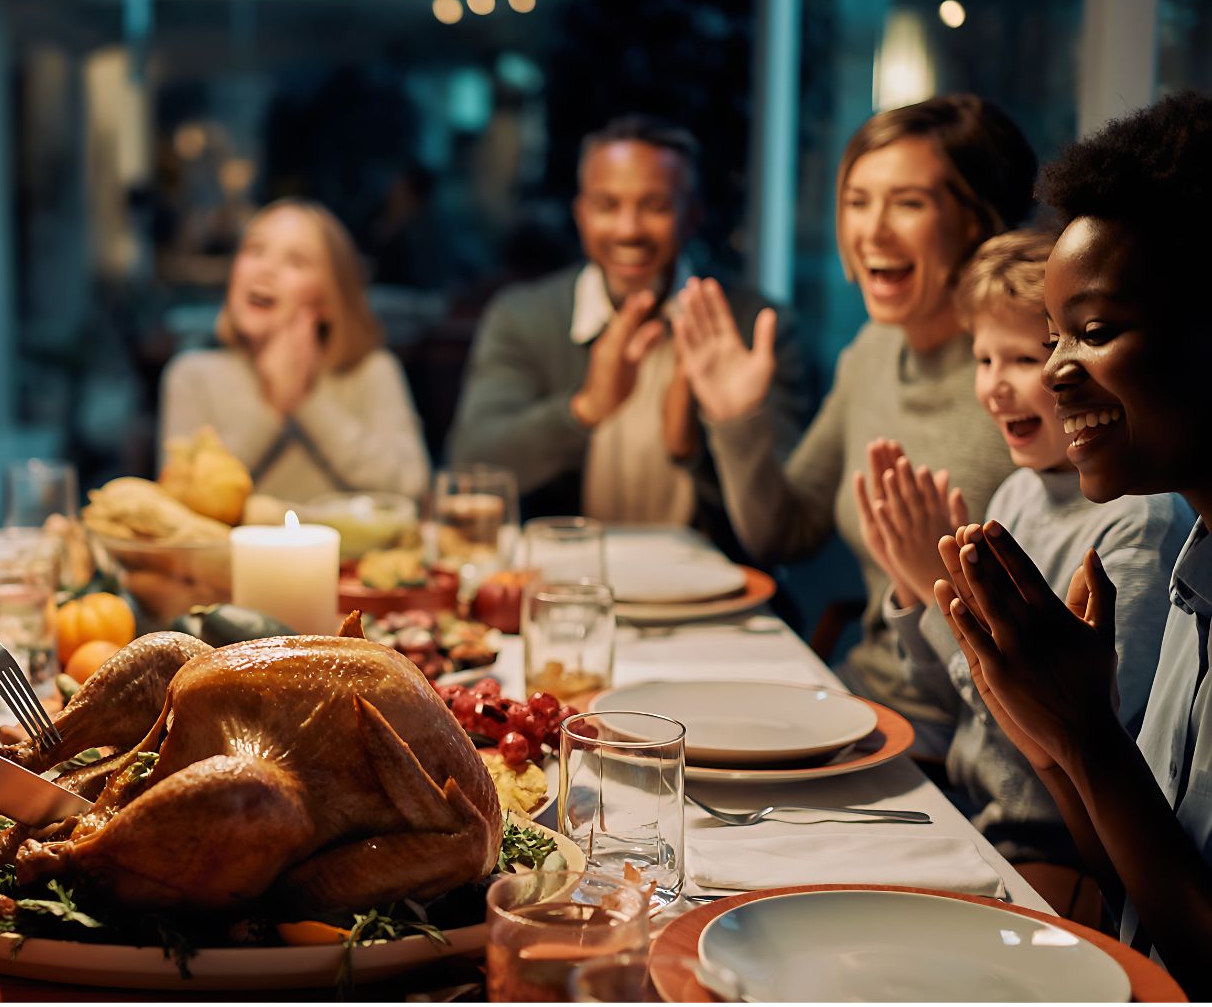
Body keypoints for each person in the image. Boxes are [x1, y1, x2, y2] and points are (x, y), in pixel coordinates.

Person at [933, 91, 1212, 995]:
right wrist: (1052, 738)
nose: (1053, 374)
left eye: (1093, 333)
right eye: (1051, 339)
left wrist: (1087, 733)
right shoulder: (1193, 564)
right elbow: (1141, 874)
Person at [672, 94, 1033, 758]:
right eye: (858, 200)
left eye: (909, 203)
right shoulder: (871, 351)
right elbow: (785, 530)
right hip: (860, 702)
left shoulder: (1026, 385)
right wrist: (737, 420)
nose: (872, 231)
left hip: (966, 745)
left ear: (980, 219)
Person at [861, 230, 1190, 888]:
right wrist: (919, 595)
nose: (995, 387)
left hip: (1055, 853)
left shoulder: (1134, 521)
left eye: (1020, 358)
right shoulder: (1019, 491)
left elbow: (1084, 756)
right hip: (974, 818)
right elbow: (956, 708)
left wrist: (941, 607)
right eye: (983, 359)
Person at [448, 115, 809, 543]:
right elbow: (471, 467)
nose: (628, 229)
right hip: (560, 584)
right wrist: (586, 409)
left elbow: (779, 537)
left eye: (655, 206)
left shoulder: (756, 328)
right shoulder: (523, 317)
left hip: (713, 592)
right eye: (607, 205)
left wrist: (691, 448)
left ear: (691, 215)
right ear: (581, 215)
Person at [159, 198, 429, 505]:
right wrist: (271, 409)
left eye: (296, 262)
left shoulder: (371, 371)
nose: (266, 269)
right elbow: (178, 505)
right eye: (254, 250)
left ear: (329, 301)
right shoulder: (192, 376)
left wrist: (308, 402)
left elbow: (411, 487)